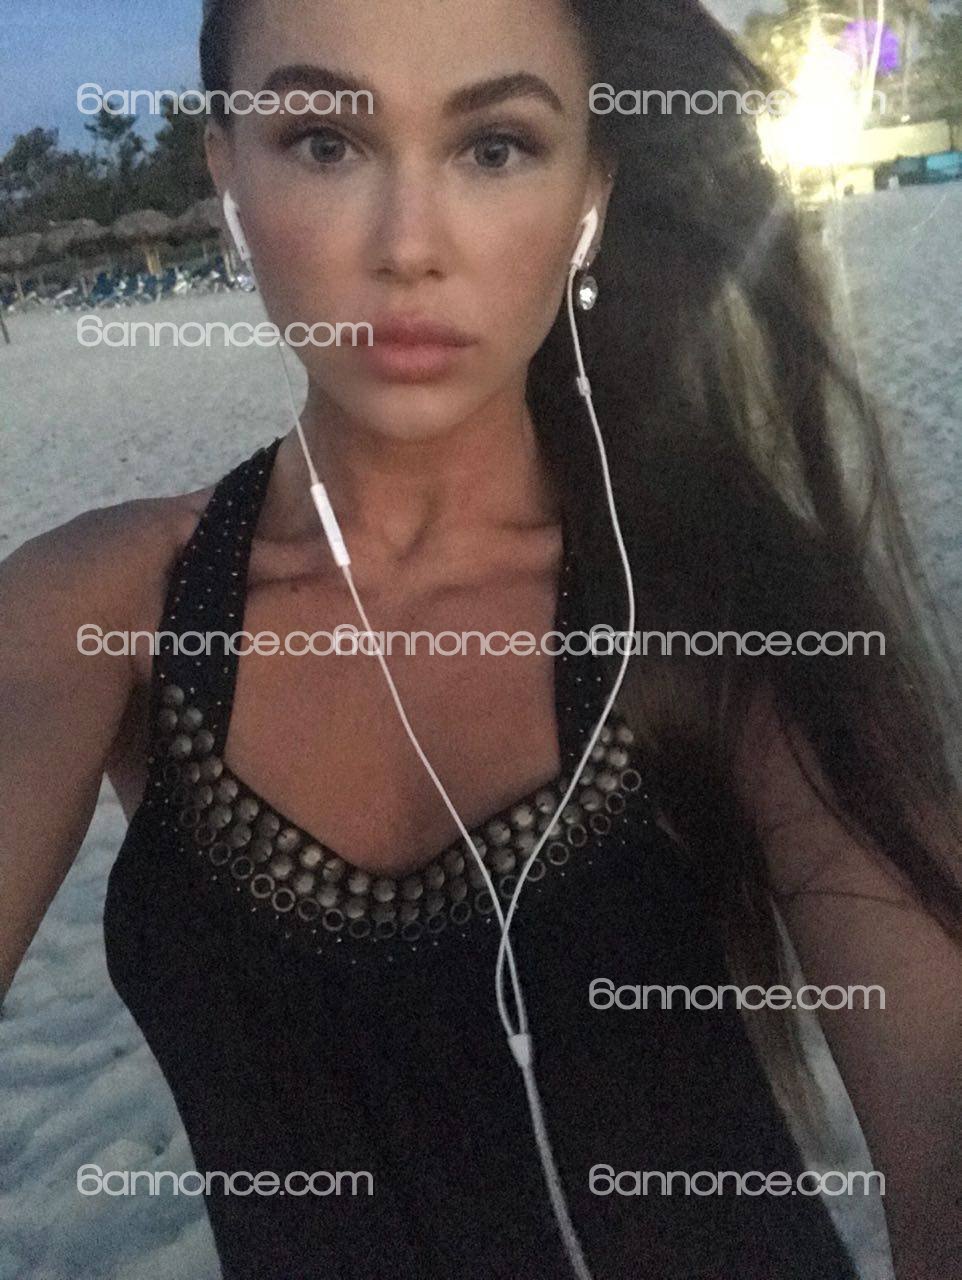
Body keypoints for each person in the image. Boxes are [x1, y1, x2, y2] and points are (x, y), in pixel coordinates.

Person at [2, 1, 961, 1276]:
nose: (409, 247)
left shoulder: (718, 595)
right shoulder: (97, 611)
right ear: (226, 173)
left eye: (494, 146)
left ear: (588, 193)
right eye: (324, 143)